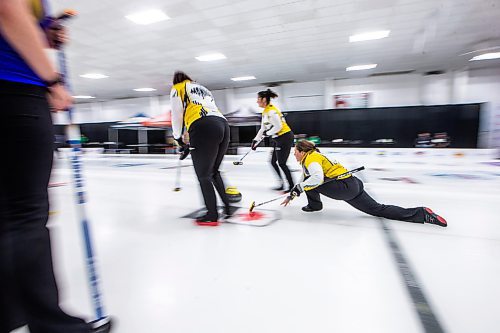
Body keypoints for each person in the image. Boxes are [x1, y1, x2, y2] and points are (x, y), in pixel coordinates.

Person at [0, 1, 111, 332]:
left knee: (6, 216)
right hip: (14, 95)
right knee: (25, 216)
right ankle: (53, 327)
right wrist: (52, 80)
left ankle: (9, 313)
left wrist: (47, 35)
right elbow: (7, 11)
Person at [281, 140, 447, 227]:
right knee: (377, 209)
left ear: (302, 152)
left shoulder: (311, 159)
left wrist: (299, 188)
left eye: (295, 152)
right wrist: (293, 193)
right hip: (353, 184)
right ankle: (421, 213)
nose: (294, 155)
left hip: (344, 187)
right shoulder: (314, 157)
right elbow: (303, 180)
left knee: (311, 183)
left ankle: (315, 205)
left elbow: (315, 179)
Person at [170, 71, 234, 226]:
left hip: (203, 125)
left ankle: (212, 214)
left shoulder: (177, 88)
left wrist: (178, 139)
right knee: (214, 171)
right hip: (223, 125)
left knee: (203, 175)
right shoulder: (203, 89)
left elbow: (176, 116)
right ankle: (228, 208)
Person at [252, 89, 294, 192]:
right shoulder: (265, 111)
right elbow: (263, 128)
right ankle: (281, 184)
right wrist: (255, 141)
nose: (257, 101)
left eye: (258, 99)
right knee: (272, 162)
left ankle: (291, 185)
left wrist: (268, 133)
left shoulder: (271, 111)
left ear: (264, 99)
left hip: (285, 137)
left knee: (282, 163)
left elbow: (278, 127)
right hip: (278, 138)